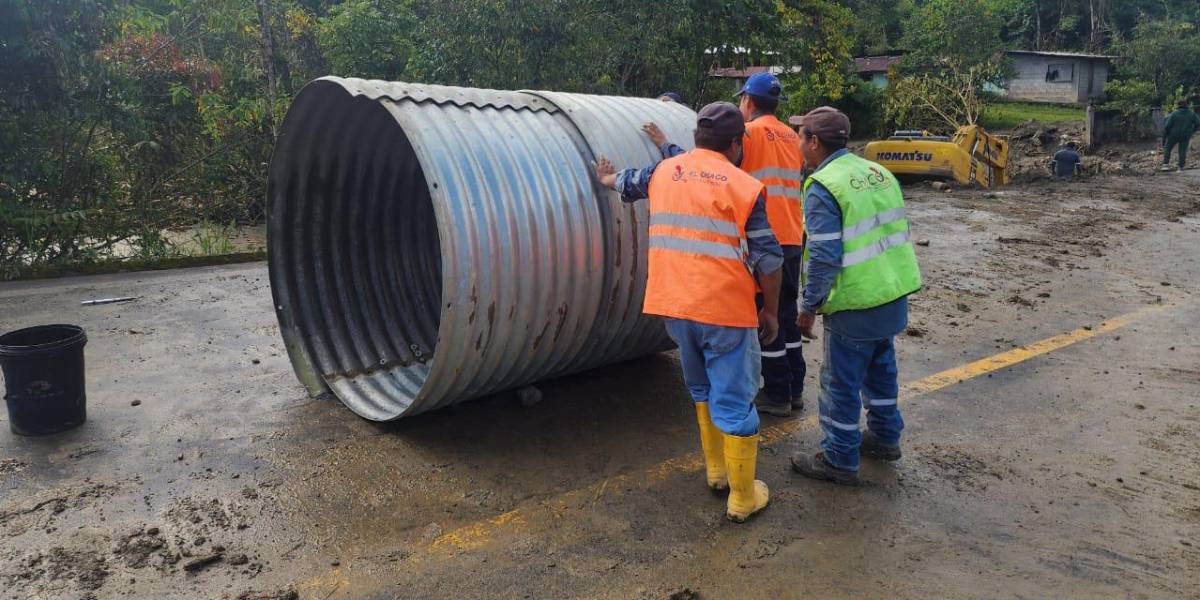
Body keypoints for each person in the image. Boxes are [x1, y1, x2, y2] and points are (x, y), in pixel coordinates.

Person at [594, 102, 784, 522]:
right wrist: (770, 312)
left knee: (700, 387)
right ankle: (741, 497)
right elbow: (769, 260)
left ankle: (716, 471)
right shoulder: (743, 186)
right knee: (734, 397)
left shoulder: (665, 171)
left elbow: (622, 181)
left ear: (698, 138)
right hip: (725, 310)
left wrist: (604, 176)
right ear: (736, 144)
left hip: (674, 305)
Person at [788, 107, 923, 486]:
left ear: (813, 141)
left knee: (839, 383)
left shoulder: (822, 185)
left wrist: (808, 306)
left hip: (856, 301)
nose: (798, 143)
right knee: (881, 370)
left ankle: (839, 458)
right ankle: (884, 437)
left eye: (801, 136)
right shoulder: (876, 171)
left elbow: (825, 255)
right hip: (892, 292)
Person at [735, 72, 808, 419]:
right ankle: (795, 389)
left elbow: (716, 163)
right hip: (793, 235)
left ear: (748, 101)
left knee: (767, 319)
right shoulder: (793, 136)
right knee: (787, 317)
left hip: (764, 239)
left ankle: (776, 392)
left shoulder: (748, 134)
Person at [1161, 100, 1200, 171]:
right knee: (1182, 150)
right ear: (1186, 105)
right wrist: (1192, 131)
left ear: (1178, 105)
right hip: (1185, 135)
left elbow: (1167, 126)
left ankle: (1165, 165)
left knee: (1167, 147)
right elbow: (1198, 124)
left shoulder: (1174, 114)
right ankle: (1180, 167)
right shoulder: (1192, 114)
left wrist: (1165, 135)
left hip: (1173, 135)